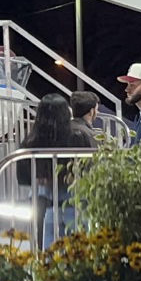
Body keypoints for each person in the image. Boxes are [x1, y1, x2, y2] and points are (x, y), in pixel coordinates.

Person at [16, 93, 95, 245]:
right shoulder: (77, 137)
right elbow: (88, 171)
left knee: (46, 251)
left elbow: (23, 177)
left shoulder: (30, 142)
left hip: (42, 204)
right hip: (74, 203)